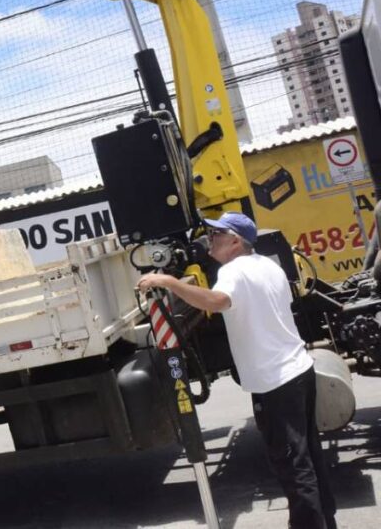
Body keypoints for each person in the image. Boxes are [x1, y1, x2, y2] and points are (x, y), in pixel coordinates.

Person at [138, 212, 336, 529]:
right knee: (309, 453)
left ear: (235, 241)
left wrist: (169, 282)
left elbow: (217, 301)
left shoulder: (234, 271)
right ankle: (326, 520)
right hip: (299, 370)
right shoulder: (269, 266)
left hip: (275, 381)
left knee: (292, 464)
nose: (209, 240)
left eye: (217, 234)